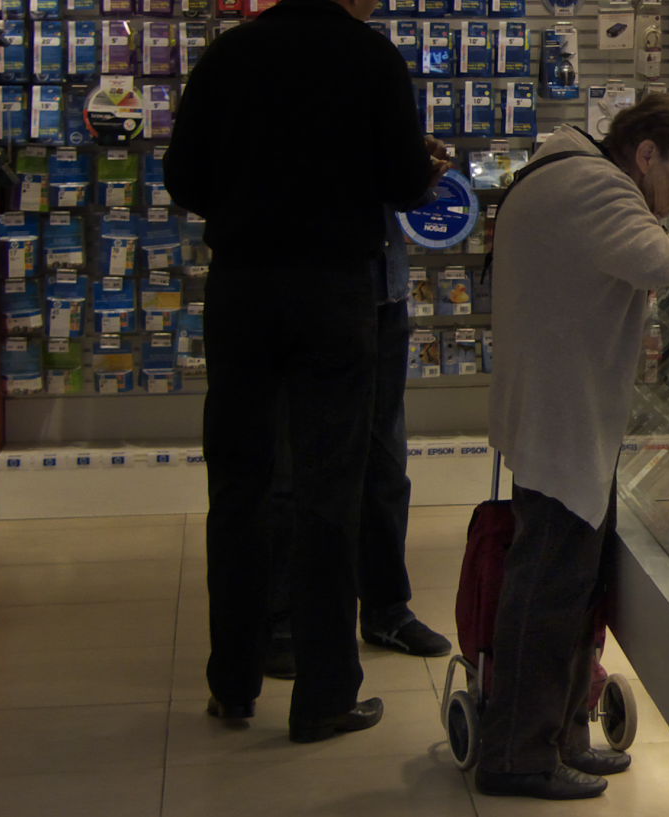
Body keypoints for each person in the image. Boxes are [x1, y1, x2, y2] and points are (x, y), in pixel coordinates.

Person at [165, 0, 449, 743]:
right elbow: (406, 178)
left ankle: (233, 682)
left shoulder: (229, 55)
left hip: (241, 287)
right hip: (333, 290)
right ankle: (324, 696)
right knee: (331, 489)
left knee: (238, 486)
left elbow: (184, 177)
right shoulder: (369, 57)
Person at [481, 94, 669, 800]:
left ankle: (562, 733)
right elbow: (646, 259)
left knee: (568, 589)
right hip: (562, 420)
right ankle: (517, 752)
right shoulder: (593, 185)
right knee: (548, 590)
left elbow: (630, 252)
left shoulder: (572, 175)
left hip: (559, 416)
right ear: (644, 154)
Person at [260, 208, 454, 682]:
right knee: (291, 467)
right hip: (308, 298)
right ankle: (281, 619)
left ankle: (387, 610)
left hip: (385, 297)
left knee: (385, 464)